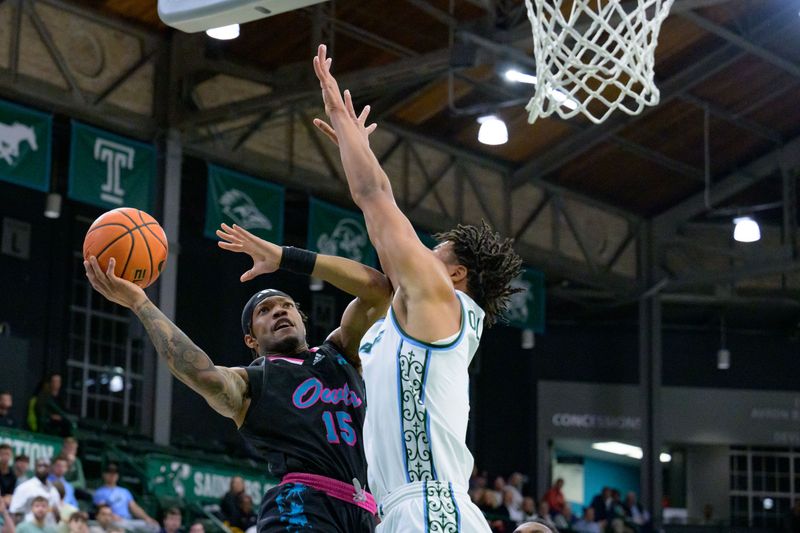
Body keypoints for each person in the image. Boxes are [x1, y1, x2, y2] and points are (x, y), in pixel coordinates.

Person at [312, 43, 523, 533]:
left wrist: (344, 126)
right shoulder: (410, 317)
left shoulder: (441, 300)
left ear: (455, 274)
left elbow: (374, 196)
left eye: (436, 252)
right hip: (405, 511)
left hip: (430, 508)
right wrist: (354, 148)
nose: (422, 255)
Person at [85, 218, 394, 532]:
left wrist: (286, 257)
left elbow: (380, 291)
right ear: (251, 340)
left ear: (302, 321)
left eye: (286, 306)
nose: (279, 311)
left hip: (363, 513)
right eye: (265, 310)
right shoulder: (255, 382)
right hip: (301, 509)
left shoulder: (340, 353)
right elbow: (201, 373)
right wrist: (141, 302)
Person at [92, 463, 157, 529]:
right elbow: (102, 510)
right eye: (109, 472)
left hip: (128, 520)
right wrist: (112, 516)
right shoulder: (99, 492)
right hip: (113, 521)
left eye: (115, 473)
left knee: (154, 527)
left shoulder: (124, 491)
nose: (112, 475)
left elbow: (134, 508)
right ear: (104, 474)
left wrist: (147, 518)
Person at [9, 458, 59, 524]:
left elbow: (57, 513)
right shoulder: (25, 487)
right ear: (35, 468)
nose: (43, 468)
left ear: (50, 469)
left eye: (46, 466)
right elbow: (14, 512)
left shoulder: (54, 490)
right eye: (40, 465)